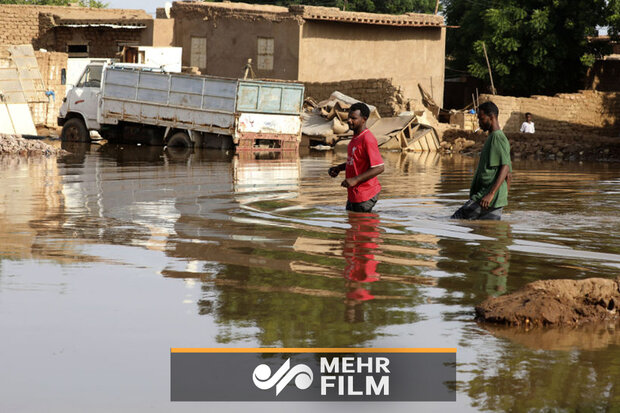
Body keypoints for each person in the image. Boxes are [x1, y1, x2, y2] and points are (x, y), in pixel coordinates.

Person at [451, 101, 512, 220]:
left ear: (492, 117)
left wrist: (491, 194)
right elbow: (508, 176)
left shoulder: (497, 137)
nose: (479, 123)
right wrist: (501, 198)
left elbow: (506, 168)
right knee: (486, 232)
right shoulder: (493, 137)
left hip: (485, 196)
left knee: (455, 221)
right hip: (490, 199)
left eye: (481, 119)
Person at [328, 102, 384, 212]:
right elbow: (355, 161)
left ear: (364, 119)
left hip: (365, 193)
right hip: (354, 193)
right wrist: (338, 168)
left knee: (362, 226)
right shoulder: (355, 139)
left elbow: (379, 167)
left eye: (353, 118)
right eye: (349, 117)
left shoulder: (367, 139)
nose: (349, 120)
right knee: (352, 223)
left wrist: (355, 180)